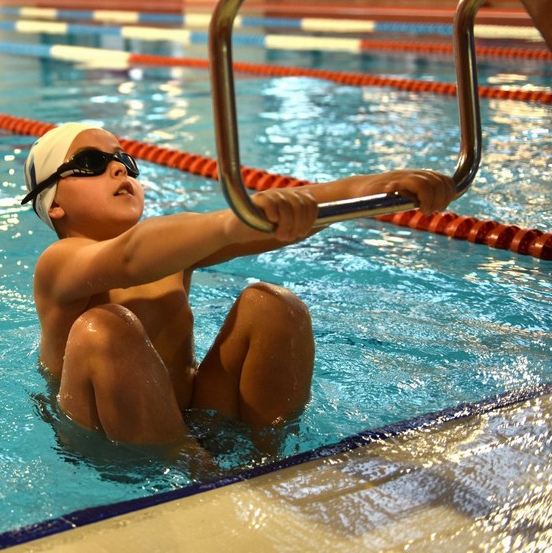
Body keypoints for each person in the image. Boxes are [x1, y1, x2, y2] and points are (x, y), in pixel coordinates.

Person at [22, 122, 457, 451]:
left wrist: (367, 190)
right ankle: (192, 471)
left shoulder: (169, 248)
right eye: (91, 163)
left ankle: (268, 457)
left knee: (272, 304)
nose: (119, 167)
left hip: (193, 417)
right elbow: (129, 257)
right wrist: (233, 221)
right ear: (54, 203)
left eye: (124, 160)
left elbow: (272, 228)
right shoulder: (59, 263)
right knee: (104, 327)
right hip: (103, 440)